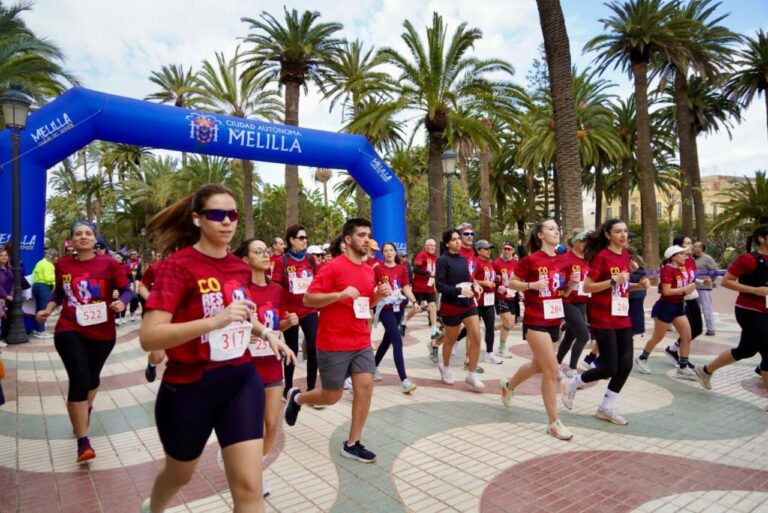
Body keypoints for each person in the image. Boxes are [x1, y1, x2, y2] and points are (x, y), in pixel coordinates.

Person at [138, 184, 295, 513]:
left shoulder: (239, 268)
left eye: (233, 214)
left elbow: (238, 314)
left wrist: (265, 331)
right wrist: (213, 322)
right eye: (217, 215)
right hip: (189, 387)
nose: (227, 222)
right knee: (180, 474)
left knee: (250, 487)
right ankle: (154, 507)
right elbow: (150, 337)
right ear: (196, 219)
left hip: (240, 380)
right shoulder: (177, 267)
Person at [284, 218, 391, 464]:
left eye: (369, 235)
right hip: (333, 342)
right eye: (362, 235)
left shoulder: (368, 270)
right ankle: (297, 398)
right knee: (332, 396)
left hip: (361, 341)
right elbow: (309, 300)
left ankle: (352, 443)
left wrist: (377, 296)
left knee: (365, 388)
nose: (367, 240)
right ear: (348, 240)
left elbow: (364, 304)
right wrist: (339, 294)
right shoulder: (332, 267)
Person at [35, 221, 132, 463]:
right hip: (69, 328)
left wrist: (123, 302)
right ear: (72, 241)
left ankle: (84, 409)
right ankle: (83, 441)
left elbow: (126, 288)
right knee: (79, 379)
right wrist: (48, 309)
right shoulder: (63, 264)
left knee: (92, 378)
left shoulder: (109, 263)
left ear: (95, 238)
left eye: (88, 233)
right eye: (78, 234)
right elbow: (59, 292)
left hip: (103, 332)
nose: (83, 237)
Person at [562, 219, 649, 426]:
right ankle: (574, 382)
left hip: (622, 315)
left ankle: (606, 407)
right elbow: (589, 287)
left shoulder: (625, 256)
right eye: (618, 231)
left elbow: (621, 287)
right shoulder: (601, 257)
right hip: (602, 316)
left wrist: (638, 285)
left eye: (625, 231)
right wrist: (613, 281)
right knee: (610, 367)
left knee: (626, 364)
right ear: (608, 235)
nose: (623, 235)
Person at [233, 238, 299, 498]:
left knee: (272, 424)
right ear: (246, 259)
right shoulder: (240, 290)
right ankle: (250, 473)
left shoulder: (276, 290)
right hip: (244, 367)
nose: (265, 255)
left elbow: (276, 326)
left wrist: (288, 322)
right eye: (258, 252)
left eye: (266, 251)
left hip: (272, 365)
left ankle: (254, 466)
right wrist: (243, 332)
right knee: (250, 425)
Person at [498, 220, 573, 440]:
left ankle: (508, 386)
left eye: (558, 227)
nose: (556, 230)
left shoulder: (563, 261)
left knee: (537, 366)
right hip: (535, 321)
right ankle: (553, 422)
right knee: (551, 371)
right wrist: (531, 286)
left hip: (554, 320)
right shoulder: (531, 260)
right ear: (540, 235)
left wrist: (571, 286)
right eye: (551, 228)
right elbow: (512, 283)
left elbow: (563, 293)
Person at [695, 224, 768, 392]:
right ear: (761, 239)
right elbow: (727, 281)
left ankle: (705, 370)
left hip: (766, 310)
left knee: (746, 350)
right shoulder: (749, 259)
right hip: (749, 310)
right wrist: (754, 290)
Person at [633, 245, 699, 380]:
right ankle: (642, 358)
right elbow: (667, 291)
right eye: (681, 254)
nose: (685, 256)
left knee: (687, 336)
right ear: (673, 257)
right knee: (658, 337)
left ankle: (683, 367)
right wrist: (686, 289)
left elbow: (687, 286)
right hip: (665, 307)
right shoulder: (667, 270)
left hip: (679, 307)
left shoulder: (680, 269)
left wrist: (692, 286)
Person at [271, 224, 320, 399]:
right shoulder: (281, 261)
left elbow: (318, 281)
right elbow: (275, 287)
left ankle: (312, 386)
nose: (304, 241)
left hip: (309, 310)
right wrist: (278, 312)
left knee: (314, 347)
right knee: (291, 349)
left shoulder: (311, 260)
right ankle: (289, 387)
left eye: (306, 238)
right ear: (291, 240)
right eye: (301, 238)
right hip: (290, 314)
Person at [434, 229, 485, 391]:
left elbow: (467, 279)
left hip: (468, 303)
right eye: (454, 239)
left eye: (458, 238)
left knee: (477, 337)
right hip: (451, 305)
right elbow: (440, 286)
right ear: (447, 243)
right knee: (451, 339)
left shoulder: (463, 259)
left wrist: (475, 285)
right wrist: (459, 291)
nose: (458, 241)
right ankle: (445, 366)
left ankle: (471, 374)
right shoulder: (443, 260)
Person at [373, 242, 419, 393]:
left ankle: (372, 367)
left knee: (387, 340)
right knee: (397, 340)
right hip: (385, 309)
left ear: (395, 252)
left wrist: (414, 301)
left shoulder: (402, 268)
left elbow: (406, 287)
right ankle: (404, 380)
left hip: (399, 308)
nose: (388, 253)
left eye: (391, 250)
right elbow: (373, 287)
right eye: (385, 251)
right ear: (382, 253)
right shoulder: (378, 268)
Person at [555, 230, 591, 381]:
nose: (587, 244)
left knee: (570, 335)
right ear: (576, 242)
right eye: (584, 241)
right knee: (583, 335)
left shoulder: (587, 259)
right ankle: (572, 369)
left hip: (582, 301)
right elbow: (558, 283)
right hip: (567, 301)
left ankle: (556, 364)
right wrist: (569, 283)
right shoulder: (565, 259)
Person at [664, 236, 703, 363]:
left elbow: (691, 278)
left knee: (698, 329)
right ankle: (683, 362)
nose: (691, 246)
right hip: (681, 300)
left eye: (691, 243)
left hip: (693, 297)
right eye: (687, 243)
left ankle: (673, 348)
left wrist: (702, 282)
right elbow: (668, 287)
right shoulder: (671, 265)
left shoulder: (691, 260)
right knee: (687, 332)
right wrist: (684, 290)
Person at [408, 239, 442, 362]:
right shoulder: (422, 255)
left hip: (429, 288)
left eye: (434, 245)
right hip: (419, 287)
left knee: (432, 306)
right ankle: (404, 321)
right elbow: (415, 269)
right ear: (425, 246)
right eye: (430, 245)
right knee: (416, 308)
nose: (433, 247)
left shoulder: (435, 258)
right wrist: (428, 273)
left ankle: (434, 329)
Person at [474, 240, 503, 365]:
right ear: (478, 250)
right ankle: (455, 340)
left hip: (489, 300)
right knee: (471, 328)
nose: (488, 251)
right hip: (478, 300)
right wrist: (484, 283)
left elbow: (488, 277)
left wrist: (495, 278)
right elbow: (471, 278)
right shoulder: (475, 262)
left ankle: (489, 353)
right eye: (485, 249)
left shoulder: (489, 263)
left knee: (490, 327)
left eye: (489, 248)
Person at [137, 256, 166, 383]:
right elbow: (142, 285)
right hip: (159, 316)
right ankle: (152, 364)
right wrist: (151, 300)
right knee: (158, 356)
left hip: (184, 317)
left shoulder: (195, 265)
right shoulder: (157, 267)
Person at [493, 240, 519, 358]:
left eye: (509, 249)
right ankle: (502, 349)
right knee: (508, 322)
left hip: (512, 296)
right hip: (500, 297)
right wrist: (497, 285)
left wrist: (521, 291)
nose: (507, 251)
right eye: (505, 248)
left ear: (513, 251)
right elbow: (490, 278)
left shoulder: (516, 263)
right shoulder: (496, 263)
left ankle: (490, 329)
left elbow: (520, 279)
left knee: (510, 324)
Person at [693, 242, 718, 336]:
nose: (694, 247)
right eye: (694, 246)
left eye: (696, 246)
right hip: (693, 287)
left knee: (706, 308)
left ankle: (711, 328)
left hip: (704, 288)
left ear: (701, 248)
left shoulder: (707, 258)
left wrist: (710, 281)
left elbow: (714, 271)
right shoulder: (692, 258)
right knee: (694, 309)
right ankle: (696, 327)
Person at [30, 250, 57, 339]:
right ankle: (41, 331)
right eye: (56, 258)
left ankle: (37, 329)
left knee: (38, 308)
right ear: (53, 257)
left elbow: (34, 274)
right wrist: (56, 279)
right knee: (43, 309)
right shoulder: (49, 265)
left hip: (36, 286)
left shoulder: (40, 262)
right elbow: (48, 278)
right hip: (44, 287)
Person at [628, 252, 647, 336]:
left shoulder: (638, 272)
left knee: (636, 313)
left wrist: (636, 269)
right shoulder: (640, 271)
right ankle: (637, 329)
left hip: (636, 294)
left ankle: (636, 330)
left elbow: (634, 278)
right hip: (637, 293)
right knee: (637, 312)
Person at [0, 248, 15, 344]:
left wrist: (11, 294)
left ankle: (4, 337)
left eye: (5, 255)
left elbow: (13, 283)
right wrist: (6, 296)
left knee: (4, 319)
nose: (4, 257)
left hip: (8, 298)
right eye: (1, 255)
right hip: (1, 297)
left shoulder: (10, 269)